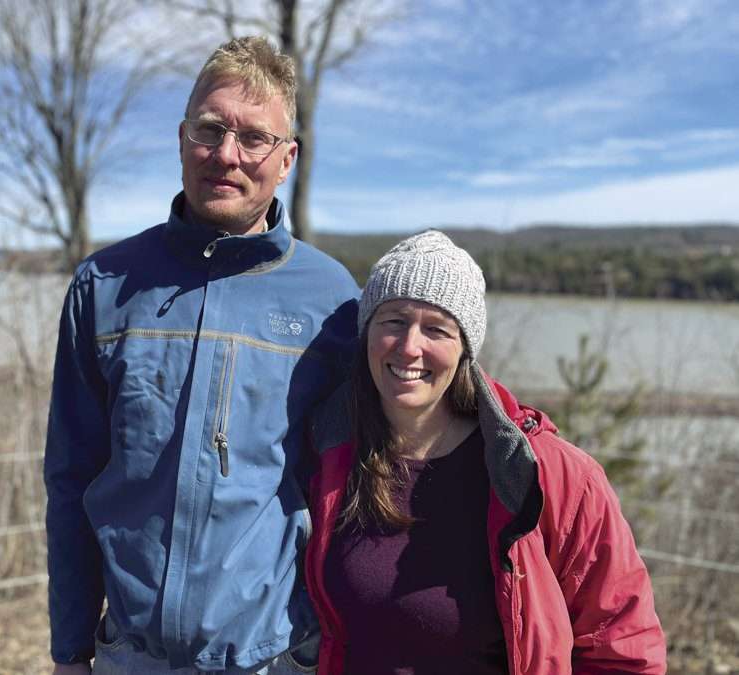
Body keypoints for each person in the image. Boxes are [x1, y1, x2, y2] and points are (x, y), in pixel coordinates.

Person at [44, 36, 358, 674]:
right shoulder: (105, 287)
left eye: (254, 138)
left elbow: (354, 493)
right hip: (130, 657)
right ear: (182, 136)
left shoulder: (334, 305)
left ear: (288, 157)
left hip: (273, 658)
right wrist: (70, 648)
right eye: (209, 130)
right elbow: (70, 479)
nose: (226, 155)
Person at [305, 231, 667, 674]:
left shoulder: (546, 475)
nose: (410, 346)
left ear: (465, 352)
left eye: (436, 328)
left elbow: (622, 648)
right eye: (393, 321)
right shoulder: (329, 456)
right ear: (366, 334)